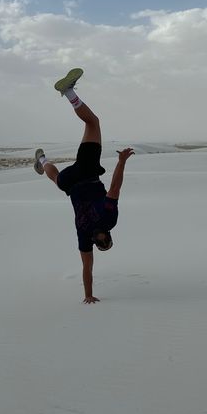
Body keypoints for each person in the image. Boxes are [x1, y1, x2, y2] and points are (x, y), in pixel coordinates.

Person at [34, 68, 134, 304]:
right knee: (56, 179)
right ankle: (41, 161)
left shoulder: (108, 221)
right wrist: (87, 295)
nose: (103, 240)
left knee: (93, 122)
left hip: (86, 172)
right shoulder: (84, 237)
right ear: (101, 241)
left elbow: (115, 189)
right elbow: (87, 269)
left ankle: (68, 92)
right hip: (70, 182)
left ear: (107, 237)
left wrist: (121, 162)